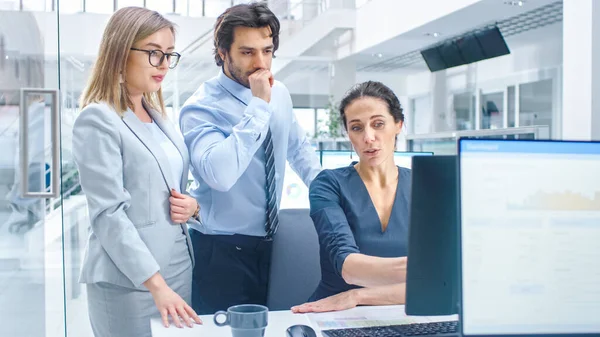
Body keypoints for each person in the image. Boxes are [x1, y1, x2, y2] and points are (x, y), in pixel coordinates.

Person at [179, 2, 321, 314]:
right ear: (221, 52)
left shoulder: (279, 92)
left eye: (267, 51)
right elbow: (220, 175)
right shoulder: (200, 108)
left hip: (277, 246)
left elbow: (298, 150)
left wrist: (333, 196)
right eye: (247, 52)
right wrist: (258, 105)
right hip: (222, 251)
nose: (261, 63)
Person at [72, 7, 201, 336]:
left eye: (169, 55)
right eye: (154, 53)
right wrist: (155, 284)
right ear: (119, 51)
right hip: (129, 280)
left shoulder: (158, 116)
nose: (163, 65)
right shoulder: (98, 119)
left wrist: (193, 206)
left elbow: (167, 184)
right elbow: (108, 214)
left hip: (177, 269)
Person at [292, 81, 409, 314]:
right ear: (348, 134)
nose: (369, 137)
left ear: (398, 125)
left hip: (403, 311)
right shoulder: (328, 185)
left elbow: (439, 286)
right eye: (357, 128)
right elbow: (349, 268)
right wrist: (433, 270)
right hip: (336, 313)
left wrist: (358, 295)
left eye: (378, 124)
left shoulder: (424, 186)